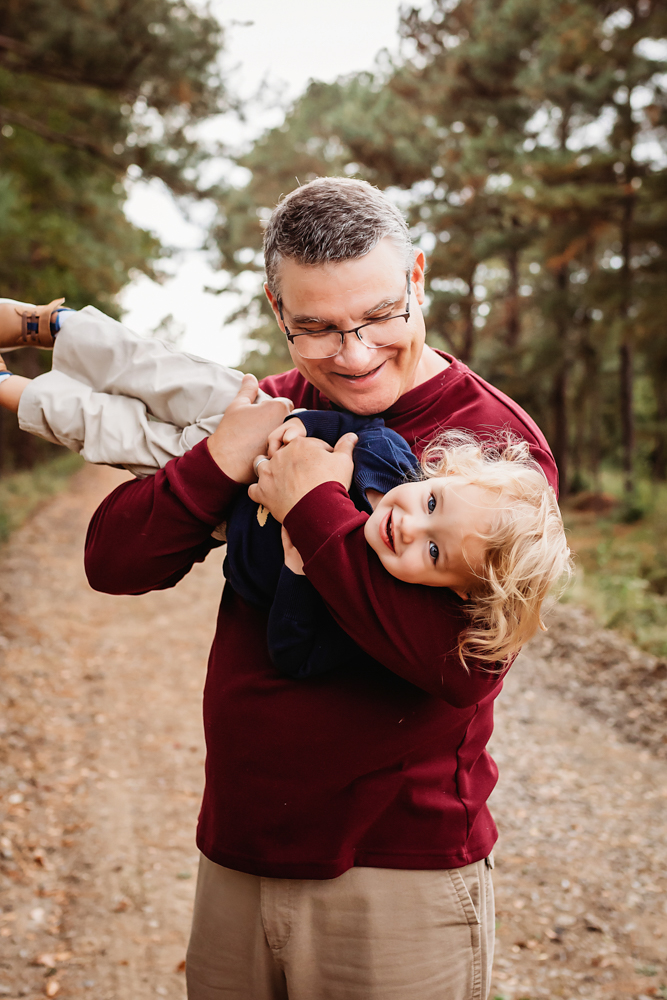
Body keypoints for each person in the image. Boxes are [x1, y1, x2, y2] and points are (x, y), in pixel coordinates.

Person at [6, 178, 561, 1000]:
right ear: (277, 311)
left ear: (417, 276)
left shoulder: (492, 452)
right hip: (240, 842)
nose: (356, 353)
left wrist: (309, 506)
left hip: (393, 870)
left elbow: (461, 667)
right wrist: (221, 462)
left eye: (378, 317)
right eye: (318, 328)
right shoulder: (268, 406)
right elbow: (114, 562)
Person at [0, 303, 568, 681]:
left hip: (233, 503)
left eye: (436, 552)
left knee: (112, 430)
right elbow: (355, 432)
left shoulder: (359, 597)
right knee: (157, 372)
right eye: (434, 503)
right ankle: (49, 325)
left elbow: (292, 651)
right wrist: (297, 429)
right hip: (259, 416)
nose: (411, 525)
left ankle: (8, 388)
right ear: (440, 474)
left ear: (451, 590)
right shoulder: (394, 464)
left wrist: (301, 568)